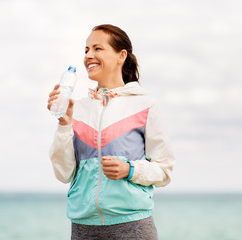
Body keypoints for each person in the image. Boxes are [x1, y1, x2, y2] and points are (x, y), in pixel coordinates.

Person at [47, 24, 175, 240]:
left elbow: (164, 171)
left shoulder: (145, 105)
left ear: (121, 56)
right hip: (83, 226)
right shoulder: (75, 108)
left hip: (132, 226)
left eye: (98, 48)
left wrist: (130, 170)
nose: (89, 55)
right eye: (86, 50)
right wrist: (64, 123)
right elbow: (63, 174)